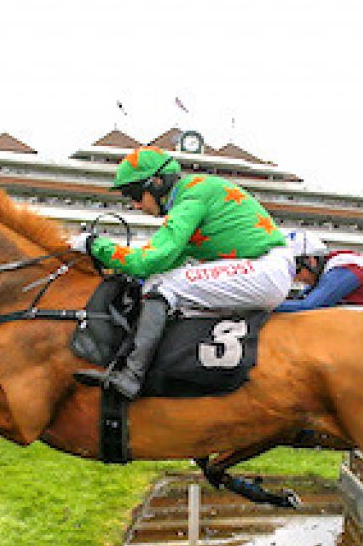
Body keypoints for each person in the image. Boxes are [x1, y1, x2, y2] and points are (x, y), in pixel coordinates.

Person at [78, 146, 296, 399]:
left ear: (157, 183)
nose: (135, 204)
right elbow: (164, 263)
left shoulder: (191, 198)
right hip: (265, 270)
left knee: (161, 286)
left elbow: (150, 261)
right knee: (165, 290)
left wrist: (94, 246)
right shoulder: (194, 195)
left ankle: (132, 375)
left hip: (264, 270)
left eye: (134, 194)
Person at [276, 233, 363, 312]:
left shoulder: (341, 269)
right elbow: (298, 300)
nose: (295, 278)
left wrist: (265, 305)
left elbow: (308, 305)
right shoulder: (328, 271)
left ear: (311, 261)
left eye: (295, 271)